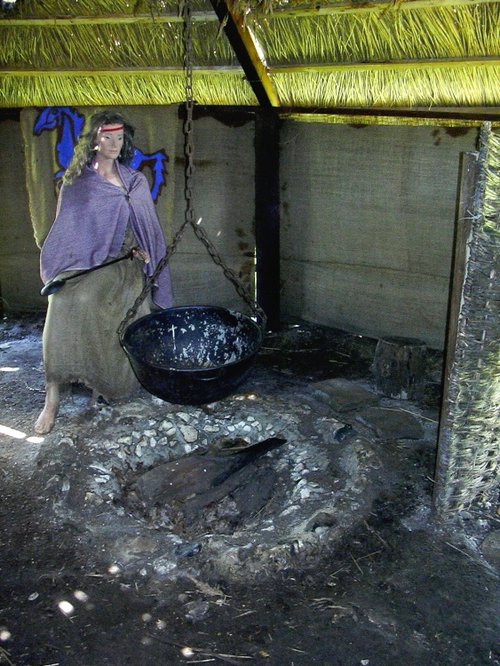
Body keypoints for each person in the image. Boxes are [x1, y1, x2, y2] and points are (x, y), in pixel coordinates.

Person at [34, 110, 173, 434]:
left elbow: (145, 229)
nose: (114, 143)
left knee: (85, 300)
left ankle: (101, 381)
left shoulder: (134, 182)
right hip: (82, 261)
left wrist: (140, 250)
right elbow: (68, 229)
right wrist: (70, 260)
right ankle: (52, 396)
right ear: (94, 140)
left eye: (119, 137)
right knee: (62, 301)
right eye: (107, 136)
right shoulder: (77, 182)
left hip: (121, 261)